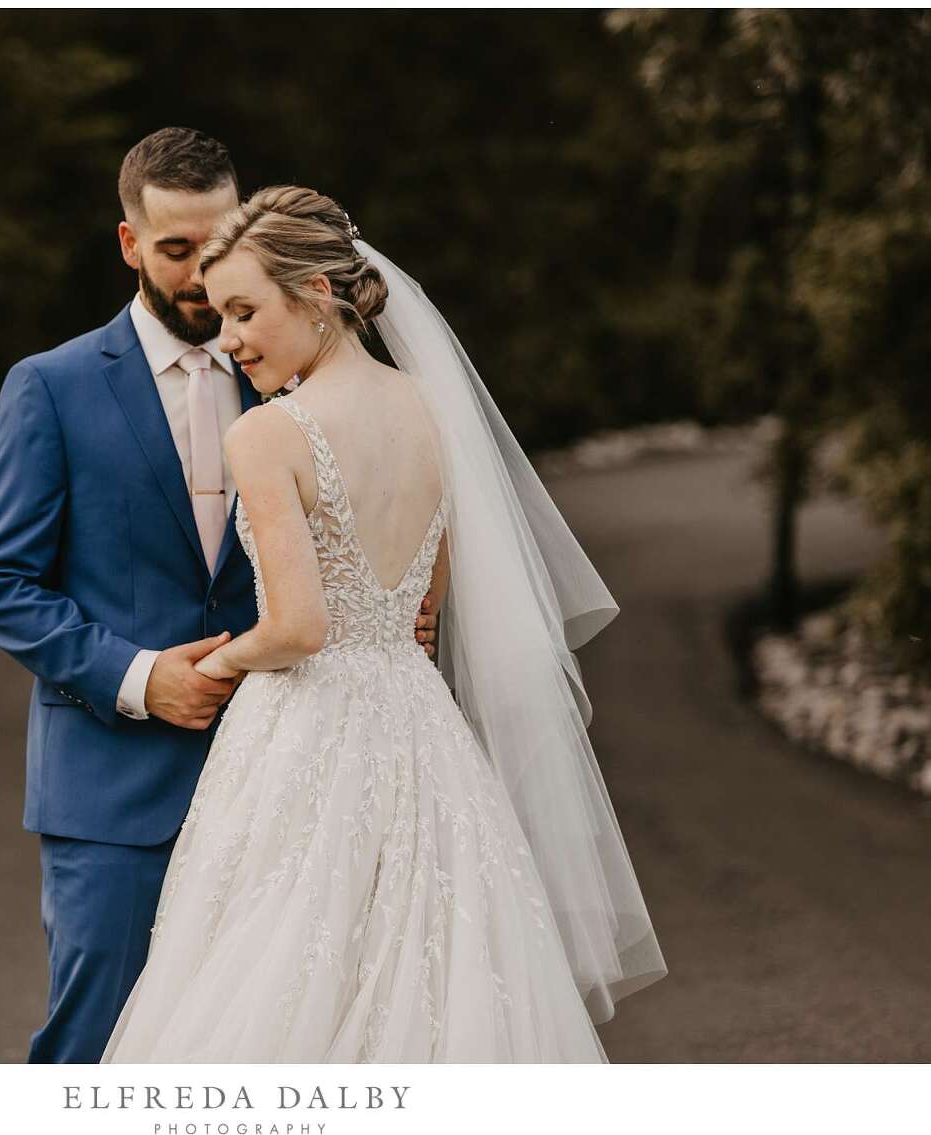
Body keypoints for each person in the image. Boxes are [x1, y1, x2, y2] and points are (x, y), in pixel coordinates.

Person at [102, 186, 667, 1062]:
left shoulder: (267, 435)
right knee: (436, 970)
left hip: (307, 730)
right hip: (420, 729)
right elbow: (429, 600)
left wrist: (215, 665)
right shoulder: (432, 411)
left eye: (246, 312)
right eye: (221, 316)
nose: (231, 340)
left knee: (282, 971)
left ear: (319, 293)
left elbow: (298, 628)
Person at [0, 132, 441, 1063]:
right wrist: (141, 677)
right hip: (117, 792)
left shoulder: (300, 381)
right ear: (130, 244)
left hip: (301, 782)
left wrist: (409, 606)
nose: (199, 273)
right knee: (100, 1054)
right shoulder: (51, 389)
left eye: (217, 245)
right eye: (176, 250)